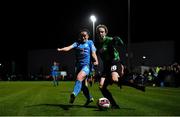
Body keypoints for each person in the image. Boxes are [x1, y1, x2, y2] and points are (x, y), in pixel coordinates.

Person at [95, 24, 145, 109]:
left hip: (114, 62)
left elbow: (120, 43)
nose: (101, 33)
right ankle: (114, 104)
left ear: (105, 33)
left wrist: (117, 39)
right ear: (97, 33)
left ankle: (135, 85)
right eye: (99, 32)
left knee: (115, 79)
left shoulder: (109, 40)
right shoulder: (97, 43)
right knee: (101, 86)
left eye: (102, 32)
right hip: (106, 65)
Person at [57, 28, 98, 106]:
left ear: (88, 36)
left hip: (87, 66)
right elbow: (68, 47)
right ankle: (89, 98)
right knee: (82, 86)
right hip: (78, 67)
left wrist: (96, 60)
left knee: (79, 78)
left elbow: (93, 52)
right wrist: (61, 49)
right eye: (81, 36)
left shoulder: (90, 42)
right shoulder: (77, 43)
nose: (83, 37)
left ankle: (74, 94)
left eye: (84, 36)